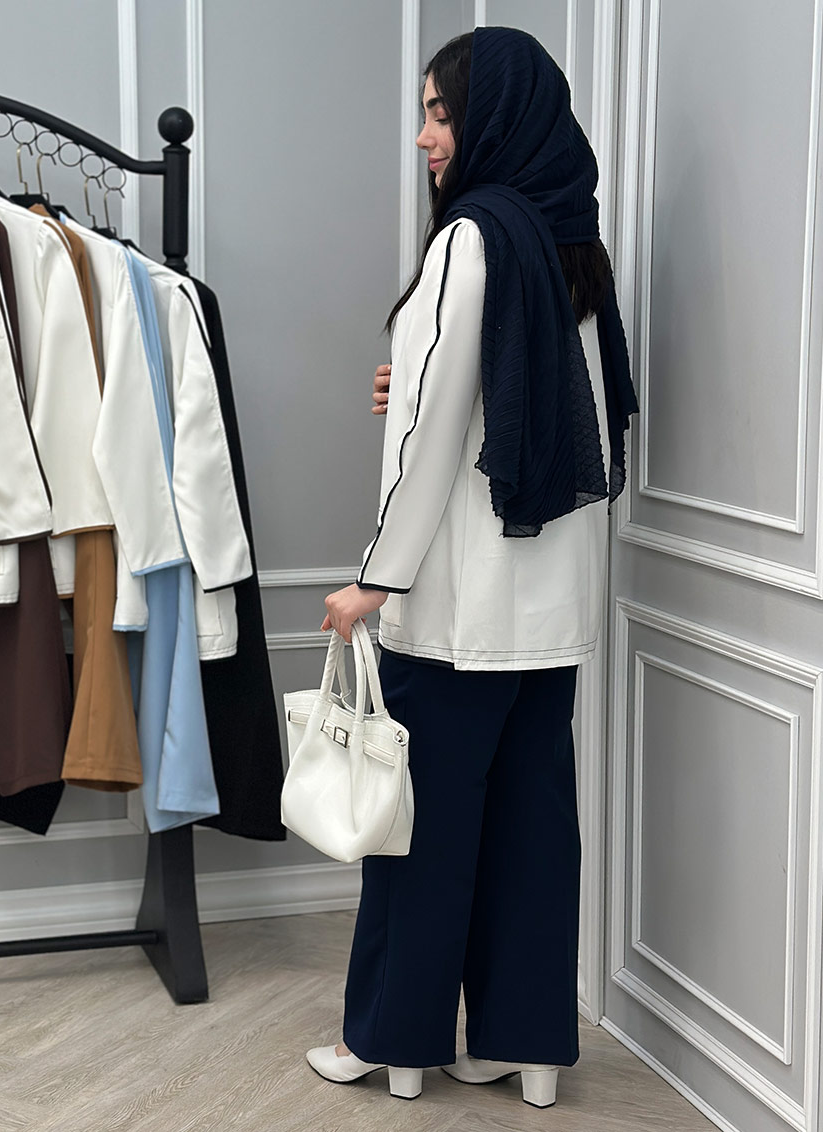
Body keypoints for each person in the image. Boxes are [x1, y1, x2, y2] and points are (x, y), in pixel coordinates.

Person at [308, 24, 639, 1109]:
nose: (424, 136)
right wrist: (403, 378)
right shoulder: (571, 243)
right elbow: (553, 408)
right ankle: (523, 1047)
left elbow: (432, 439)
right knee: (533, 839)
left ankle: (392, 1043)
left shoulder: (469, 240)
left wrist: (375, 578)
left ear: (490, 117)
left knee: (420, 839)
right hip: (551, 616)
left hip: (453, 614)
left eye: (440, 112)